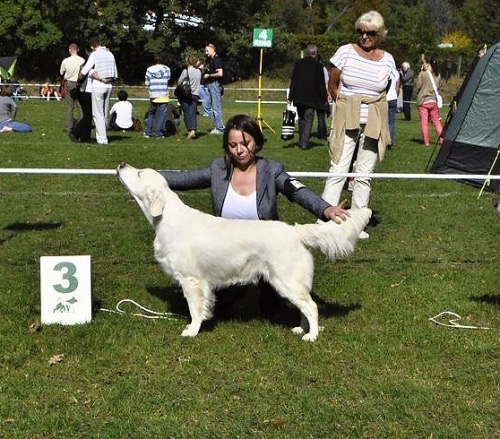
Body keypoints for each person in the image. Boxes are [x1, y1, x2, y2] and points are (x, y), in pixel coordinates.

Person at [159, 114, 349, 317]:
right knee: (222, 306)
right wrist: (147, 176)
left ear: (256, 142)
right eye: (233, 145)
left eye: (245, 143)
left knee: (272, 311)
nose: (239, 150)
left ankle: (269, 293)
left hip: (266, 249)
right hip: (229, 253)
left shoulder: (271, 170)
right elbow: (184, 179)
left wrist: (325, 209)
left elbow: (297, 191)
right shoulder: (218, 170)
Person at [320, 10, 396, 240]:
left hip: (373, 120)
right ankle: (325, 218)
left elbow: (387, 90)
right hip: (346, 118)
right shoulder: (345, 51)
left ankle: (356, 223)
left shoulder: (388, 59)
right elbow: (333, 85)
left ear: (380, 34)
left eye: (370, 33)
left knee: (364, 173)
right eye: (360, 31)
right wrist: (345, 108)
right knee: (338, 168)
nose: (364, 36)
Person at [79, 35, 118, 145]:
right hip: (109, 85)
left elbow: (84, 71)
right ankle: (103, 136)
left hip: (98, 85)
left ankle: (102, 139)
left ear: (92, 46)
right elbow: (115, 72)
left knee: (98, 114)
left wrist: (79, 78)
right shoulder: (110, 54)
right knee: (105, 112)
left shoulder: (94, 54)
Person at [288, 44, 328, 150]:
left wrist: (290, 96)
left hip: (298, 95)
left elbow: (294, 80)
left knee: (301, 118)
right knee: (308, 118)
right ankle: (304, 143)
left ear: (307, 53)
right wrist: (324, 98)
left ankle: (302, 140)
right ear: (315, 54)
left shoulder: (298, 63)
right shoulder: (318, 66)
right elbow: (321, 84)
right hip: (311, 96)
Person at [415, 56, 443, 147]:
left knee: (424, 122)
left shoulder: (422, 74)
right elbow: (438, 87)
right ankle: (442, 140)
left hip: (423, 100)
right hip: (433, 100)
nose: (422, 65)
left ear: (427, 64)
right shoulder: (438, 75)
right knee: (437, 122)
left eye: (423, 63)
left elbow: (417, 87)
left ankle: (426, 142)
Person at [144, 54, 171, 139]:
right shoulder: (167, 69)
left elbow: (147, 82)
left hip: (153, 94)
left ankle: (147, 132)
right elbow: (168, 79)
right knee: (162, 114)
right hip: (163, 94)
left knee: (151, 113)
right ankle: (158, 133)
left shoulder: (149, 69)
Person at [60, 43, 85, 132]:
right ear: (77, 50)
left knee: (69, 107)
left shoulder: (65, 61)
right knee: (80, 106)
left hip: (69, 83)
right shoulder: (82, 60)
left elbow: (61, 72)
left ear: (69, 50)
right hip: (80, 83)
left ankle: (69, 127)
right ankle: (82, 125)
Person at [177, 55, 201, 139]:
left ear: (188, 62)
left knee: (186, 113)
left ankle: (190, 130)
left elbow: (179, 82)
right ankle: (193, 130)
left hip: (186, 95)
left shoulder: (185, 71)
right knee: (193, 113)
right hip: (196, 94)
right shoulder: (198, 71)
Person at [202, 43, 225, 134]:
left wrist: (209, 75)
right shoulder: (211, 60)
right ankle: (218, 124)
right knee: (206, 105)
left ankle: (220, 128)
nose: (206, 53)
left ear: (212, 49)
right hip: (209, 85)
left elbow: (220, 73)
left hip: (215, 85)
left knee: (216, 107)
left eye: (207, 51)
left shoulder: (217, 60)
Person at [70, 66, 93, 143]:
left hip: (84, 92)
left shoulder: (85, 65)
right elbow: (82, 75)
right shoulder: (89, 65)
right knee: (88, 116)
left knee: (88, 117)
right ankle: (76, 133)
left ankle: (84, 137)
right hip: (86, 92)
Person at [386, 66, 400, 149]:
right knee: (391, 122)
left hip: (385, 98)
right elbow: (397, 87)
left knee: (382, 121)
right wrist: (396, 95)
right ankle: (390, 141)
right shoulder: (396, 72)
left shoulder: (384, 70)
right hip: (393, 98)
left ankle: (382, 140)